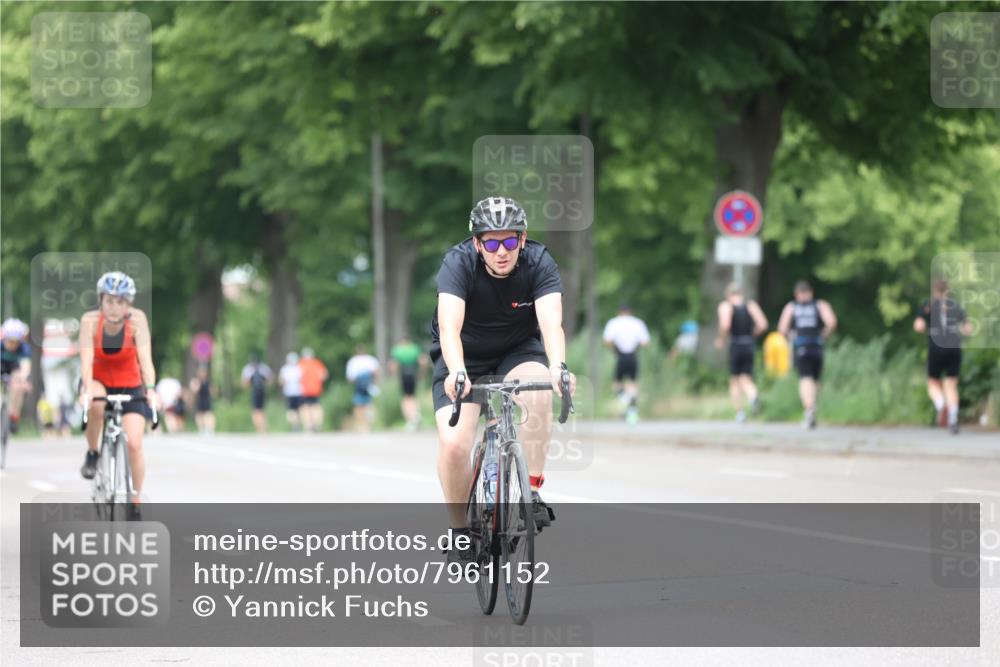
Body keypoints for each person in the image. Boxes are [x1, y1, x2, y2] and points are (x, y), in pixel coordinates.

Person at [430, 196, 576, 563]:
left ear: (522, 240)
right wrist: (457, 371)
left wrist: (559, 366)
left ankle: (531, 491)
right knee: (453, 446)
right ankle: (459, 530)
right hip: (464, 356)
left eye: (510, 241)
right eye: (491, 243)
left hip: (517, 350)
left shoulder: (539, 262)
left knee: (539, 387)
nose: (501, 251)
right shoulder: (458, 263)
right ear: (477, 243)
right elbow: (449, 328)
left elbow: (551, 324)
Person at [78, 272, 158, 520]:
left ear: (129, 304)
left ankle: (134, 500)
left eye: (121, 302)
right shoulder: (90, 321)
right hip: (99, 379)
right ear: (101, 300)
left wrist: (152, 389)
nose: (114, 307)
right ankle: (93, 452)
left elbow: (145, 359)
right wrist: (87, 389)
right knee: (96, 406)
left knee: (134, 443)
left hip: (129, 383)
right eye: (110, 301)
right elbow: (86, 360)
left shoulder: (138, 321)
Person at [914, 279, 972, 435]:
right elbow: (967, 328)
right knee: (951, 385)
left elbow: (918, 326)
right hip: (954, 346)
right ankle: (953, 419)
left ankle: (941, 406)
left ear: (934, 290)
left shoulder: (928, 305)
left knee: (933, 383)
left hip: (936, 346)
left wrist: (925, 327)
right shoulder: (955, 305)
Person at [777, 280, 837, 429]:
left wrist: (790, 337)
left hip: (801, 346)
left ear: (797, 294)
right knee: (816, 379)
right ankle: (812, 407)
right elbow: (831, 322)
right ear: (811, 292)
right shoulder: (820, 305)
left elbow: (782, 328)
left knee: (805, 379)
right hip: (817, 345)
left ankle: (809, 410)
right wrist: (823, 335)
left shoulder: (792, 307)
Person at [714, 282, 768, 422]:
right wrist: (752, 335)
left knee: (734, 380)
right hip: (749, 344)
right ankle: (753, 396)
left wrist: (720, 339)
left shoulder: (726, 306)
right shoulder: (751, 306)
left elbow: (725, 325)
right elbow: (763, 324)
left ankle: (740, 413)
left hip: (736, 344)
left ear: (728, 295)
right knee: (746, 377)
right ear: (741, 293)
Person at [602, 304, 650, 423]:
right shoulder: (638, 323)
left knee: (617, 384)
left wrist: (614, 349)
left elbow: (607, 341)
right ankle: (632, 413)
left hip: (620, 355)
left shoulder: (614, 322)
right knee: (633, 384)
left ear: (619, 312)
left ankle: (625, 401)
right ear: (630, 312)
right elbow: (645, 343)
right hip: (633, 355)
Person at [41, 319, 79, 438]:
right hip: (52, 377)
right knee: (52, 401)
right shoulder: (48, 342)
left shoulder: (65, 341)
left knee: (65, 400)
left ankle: (64, 427)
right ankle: (50, 427)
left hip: (64, 376)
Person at [1, 318, 33, 433]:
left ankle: (13, 416)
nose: (12, 344)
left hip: (14, 369)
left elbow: (25, 366)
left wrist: (23, 380)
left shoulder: (24, 348)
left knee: (18, 385)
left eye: (16, 341)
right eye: (10, 341)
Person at [389, 335, 426, 430]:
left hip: (403, 375)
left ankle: (410, 419)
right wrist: (422, 373)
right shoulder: (415, 348)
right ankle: (416, 414)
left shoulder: (397, 350)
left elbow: (393, 365)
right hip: (414, 374)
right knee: (413, 396)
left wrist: (393, 376)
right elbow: (423, 362)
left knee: (405, 398)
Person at [346, 345, 380, 432]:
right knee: (370, 404)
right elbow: (376, 372)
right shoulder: (370, 359)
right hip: (369, 383)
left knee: (359, 406)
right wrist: (375, 382)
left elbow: (350, 377)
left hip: (359, 385)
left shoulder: (353, 361)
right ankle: (369, 424)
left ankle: (361, 425)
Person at [241, 351, 273, 433]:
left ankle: (258, 428)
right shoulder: (264, 368)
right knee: (262, 410)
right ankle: (264, 428)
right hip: (262, 390)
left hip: (254, 391)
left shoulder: (248, 369)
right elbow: (270, 379)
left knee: (255, 410)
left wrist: (249, 387)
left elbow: (245, 382)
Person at [298, 347, 328, 432]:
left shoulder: (301, 363)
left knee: (305, 407)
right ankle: (317, 423)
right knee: (316, 406)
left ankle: (308, 425)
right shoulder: (317, 363)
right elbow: (324, 375)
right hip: (316, 389)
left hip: (304, 389)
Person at [278, 352, 303, 430]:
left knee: (291, 410)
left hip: (289, 392)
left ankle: (295, 425)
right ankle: (297, 424)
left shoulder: (285, 369)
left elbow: (281, 381)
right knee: (298, 409)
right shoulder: (299, 368)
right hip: (299, 392)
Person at [190, 364, 215, 435]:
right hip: (200, 399)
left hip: (207, 399)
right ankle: (201, 429)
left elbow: (212, 391)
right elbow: (194, 390)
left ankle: (210, 429)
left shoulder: (208, 381)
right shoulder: (196, 381)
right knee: (200, 415)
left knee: (209, 414)